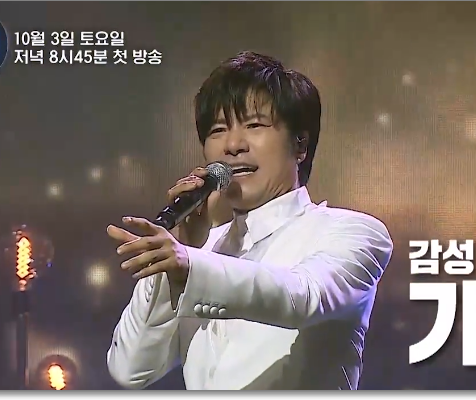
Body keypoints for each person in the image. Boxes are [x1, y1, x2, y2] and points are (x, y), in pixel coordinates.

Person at [105, 51, 393, 390]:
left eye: (254, 125)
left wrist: (189, 265)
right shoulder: (198, 252)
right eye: (218, 129)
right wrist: (179, 251)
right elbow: (130, 370)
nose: (233, 145)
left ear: (300, 144)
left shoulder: (354, 232)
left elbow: (303, 297)